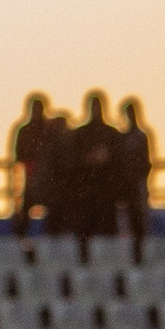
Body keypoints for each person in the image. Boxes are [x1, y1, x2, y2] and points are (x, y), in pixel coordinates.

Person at [64, 90, 125, 247]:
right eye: (93, 106)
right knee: (84, 232)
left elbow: (119, 163)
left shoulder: (112, 134)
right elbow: (72, 162)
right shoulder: (80, 134)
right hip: (85, 192)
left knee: (108, 233)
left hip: (106, 192)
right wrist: (88, 159)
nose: (96, 109)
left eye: (98, 106)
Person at [9, 94, 67, 239]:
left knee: (54, 211)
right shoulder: (25, 131)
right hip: (31, 181)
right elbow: (19, 159)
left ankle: (52, 240)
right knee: (23, 212)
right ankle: (21, 241)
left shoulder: (50, 131)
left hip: (49, 183)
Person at [118, 97, 155, 248]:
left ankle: (141, 249)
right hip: (126, 186)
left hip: (138, 185)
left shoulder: (141, 136)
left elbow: (146, 162)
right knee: (128, 221)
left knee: (140, 221)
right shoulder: (123, 138)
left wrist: (140, 179)